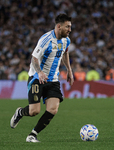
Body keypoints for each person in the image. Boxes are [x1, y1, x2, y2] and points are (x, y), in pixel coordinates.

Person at [10, 14, 74, 142]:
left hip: (53, 80)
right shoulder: (46, 39)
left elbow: (65, 52)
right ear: (58, 26)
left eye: (70, 27)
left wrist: (69, 70)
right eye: (67, 27)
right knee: (34, 111)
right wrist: (39, 72)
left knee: (53, 109)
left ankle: (32, 135)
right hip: (37, 78)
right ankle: (20, 113)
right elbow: (34, 58)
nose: (70, 30)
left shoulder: (66, 40)